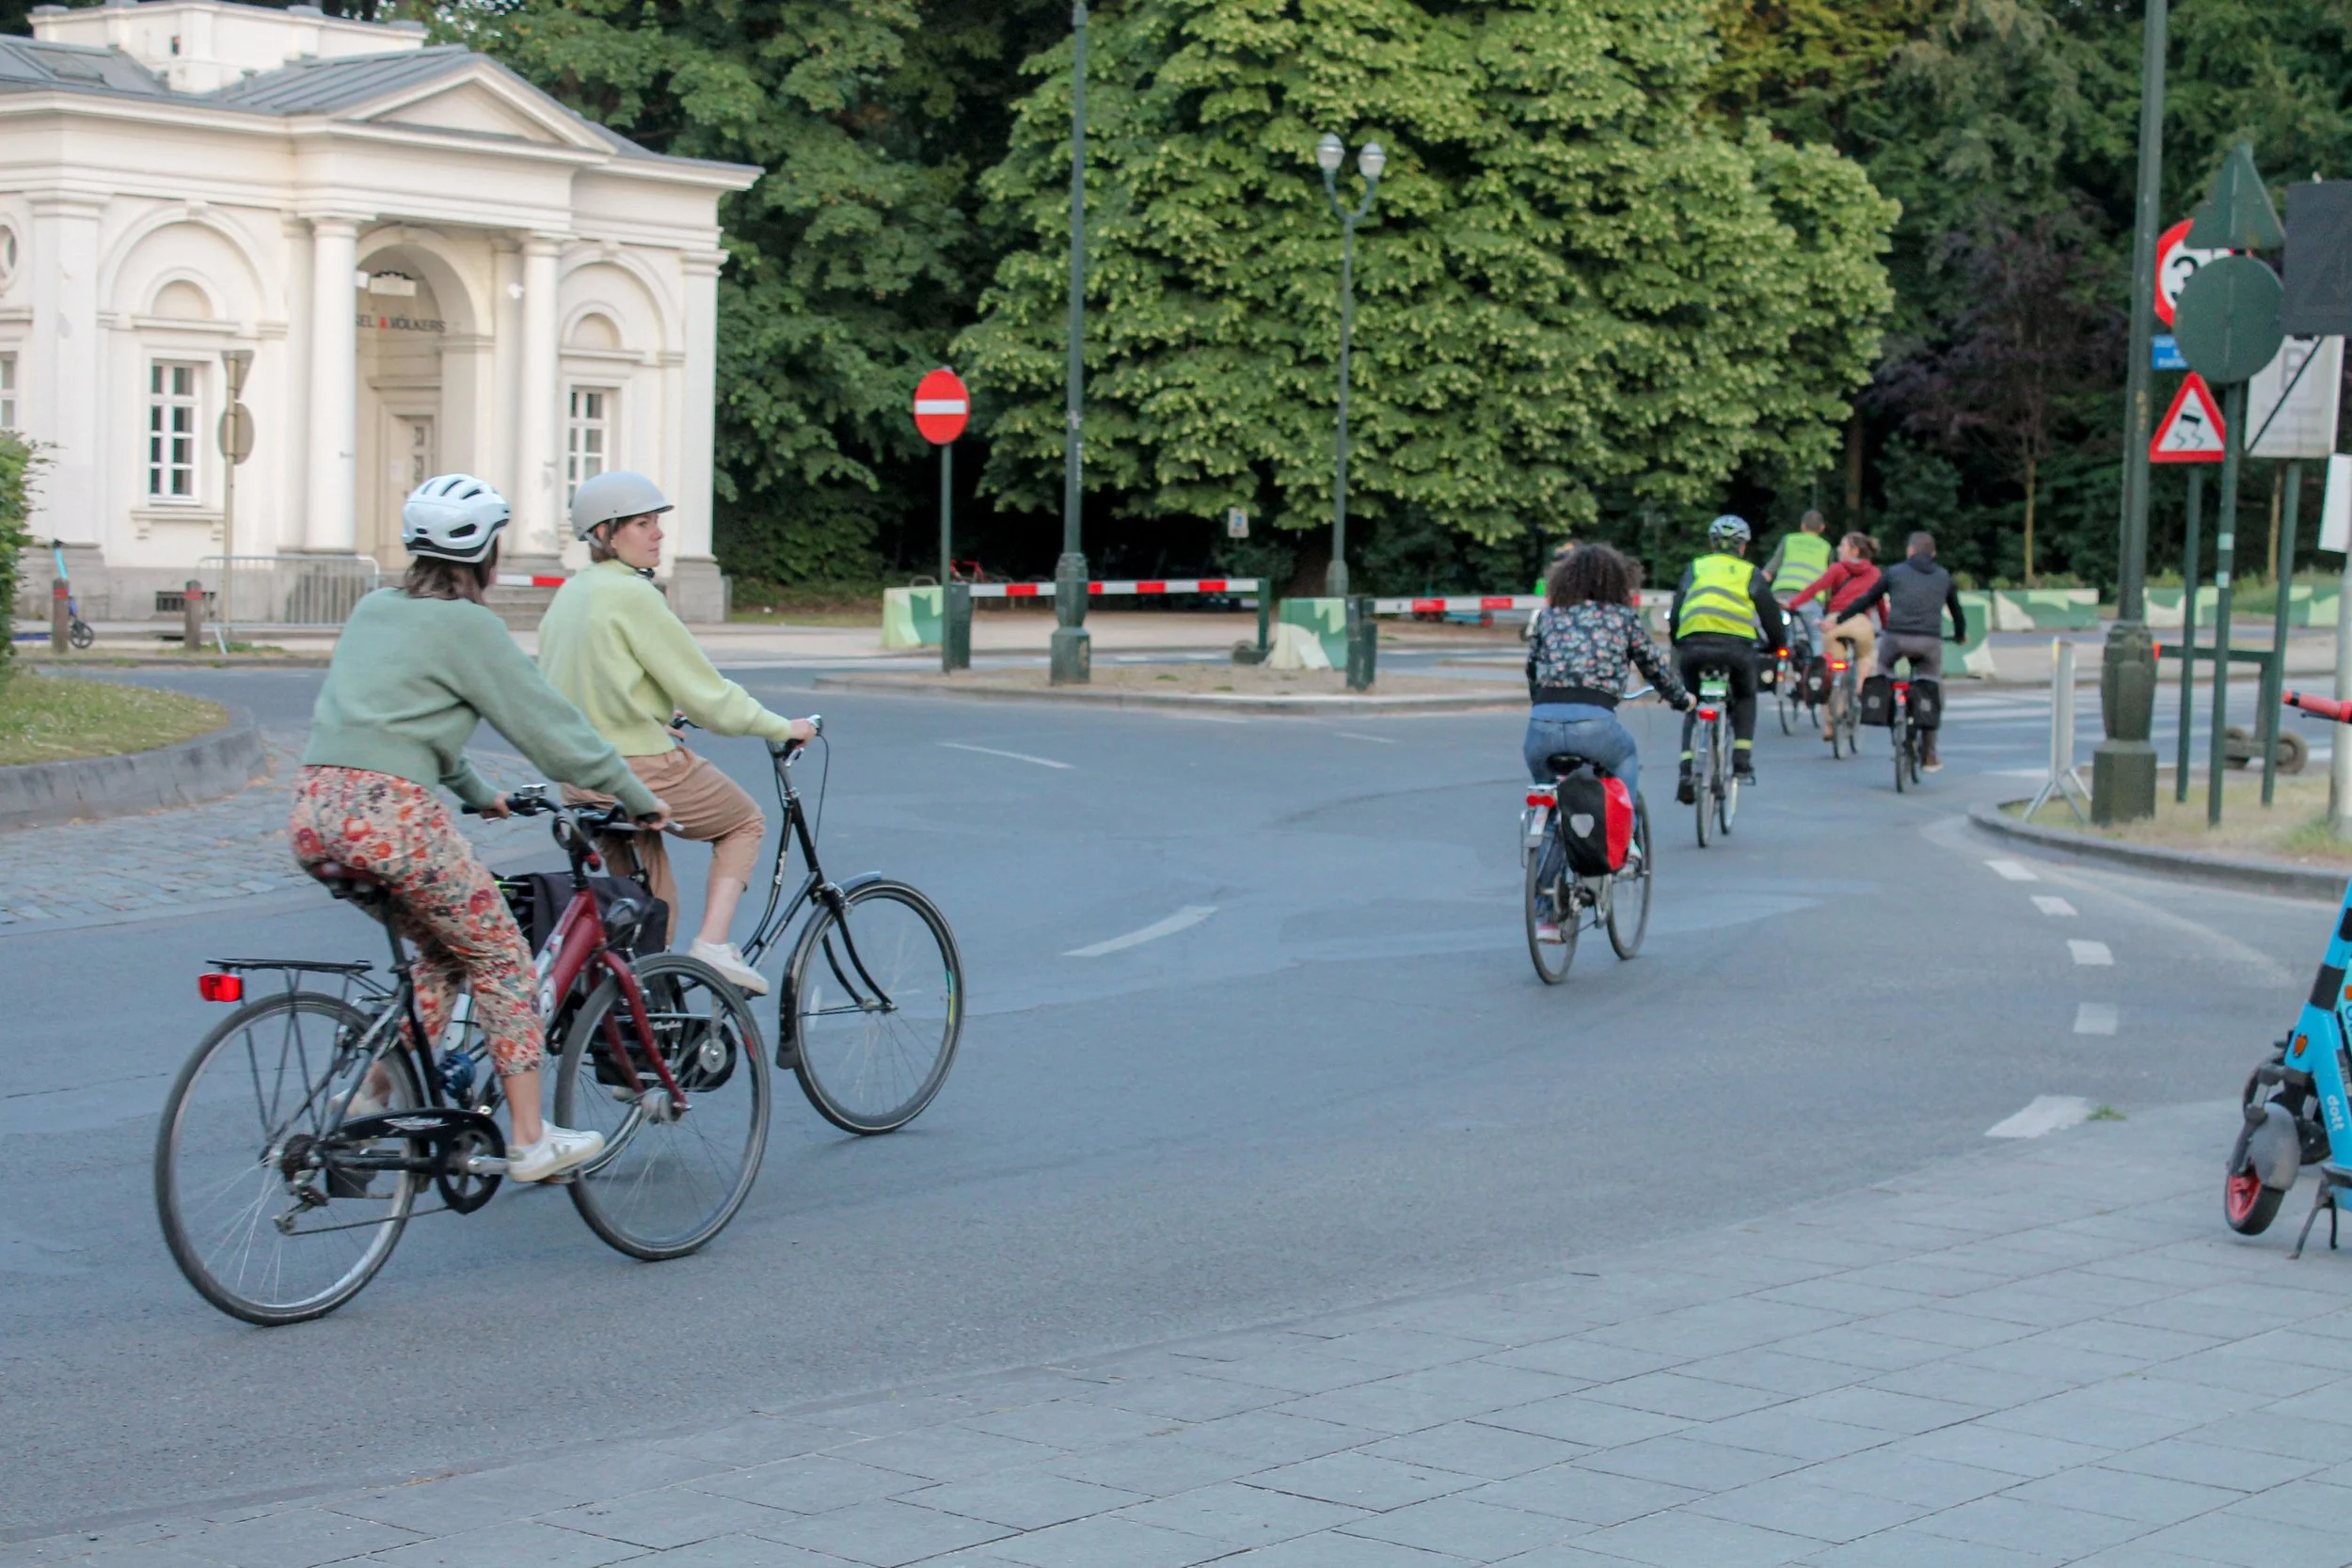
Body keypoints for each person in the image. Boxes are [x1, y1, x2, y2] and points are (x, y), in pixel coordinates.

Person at [290, 474, 669, 1183]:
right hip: (394, 822)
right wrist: (634, 792)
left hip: (317, 812)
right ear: (489, 555)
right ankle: (529, 1139)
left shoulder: (374, 609)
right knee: (502, 961)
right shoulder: (470, 626)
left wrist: (474, 791)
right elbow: (549, 728)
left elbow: (387, 717)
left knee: (442, 954)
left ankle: (369, 1100)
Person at [537, 470, 817, 996]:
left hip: (581, 776)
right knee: (745, 822)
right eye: (643, 524)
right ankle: (712, 945)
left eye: (656, 523)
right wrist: (784, 726)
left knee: (646, 913)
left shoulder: (570, 597)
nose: (658, 534)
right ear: (606, 533)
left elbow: (575, 684)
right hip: (640, 770)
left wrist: (643, 713)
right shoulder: (634, 596)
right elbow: (709, 697)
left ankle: (634, 1043)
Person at [1523, 543, 1691, 942]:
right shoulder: (1622, 618)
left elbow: (1532, 669)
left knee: (1549, 803)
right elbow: (1656, 669)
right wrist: (1681, 699)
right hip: (1595, 724)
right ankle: (1628, 841)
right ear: (1617, 581)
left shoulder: (1549, 617)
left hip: (1541, 726)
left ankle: (1546, 914)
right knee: (1626, 757)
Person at [1831, 530, 1967, 770]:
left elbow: (1868, 599)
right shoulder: (1943, 576)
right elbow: (1957, 612)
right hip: (1928, 642)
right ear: (1933, 554)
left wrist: (1841, 618)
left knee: (1883, 670)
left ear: (1910, 551)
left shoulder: (1894, 572)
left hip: (1895, 639)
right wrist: (1959, 635)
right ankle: (1929, 755)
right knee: (1931, 686)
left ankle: (1894, 716)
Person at [1670, 515, 1785, 798]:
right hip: (1737, 649)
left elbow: (1677, 610)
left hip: (1693, 646)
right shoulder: (1749, 573)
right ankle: (1742, 762)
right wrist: (1776, 645)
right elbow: (1770, 615)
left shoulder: (1696, 567)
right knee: (1746, 695)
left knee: (1692, 702)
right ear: (1742, 547)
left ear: (1712, 543)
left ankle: (1687, 771)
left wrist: (1678, 640)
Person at [1788, 531, 1883, 741]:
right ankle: (1859, 689)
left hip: (1834, 623)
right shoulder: (1875, 573)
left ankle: (1830, 726)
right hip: (1861, 623)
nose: (1838, 549)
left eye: (1842, 545)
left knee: (1831, 671)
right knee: (1865, 656)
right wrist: (1885, 626)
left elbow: (1815, 588)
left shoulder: (1837, 569)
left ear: (1854, 550)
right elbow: (1881, 605)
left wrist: (1792, 604)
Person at [1761, 510, 1834, 659]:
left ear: (1803, 526)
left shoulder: (1789, 540)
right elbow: (1829, 580)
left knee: (1781, 636)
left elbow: (1768, 572)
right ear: (1822, 528)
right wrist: (1828, 605)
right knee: (1816, 637)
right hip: (1810, 598)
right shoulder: (1826, 547)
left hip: (1781, 595)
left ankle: (1780, 663)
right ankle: (1816, 672)